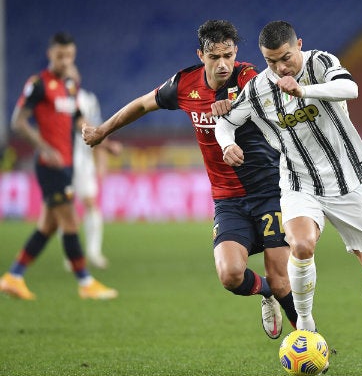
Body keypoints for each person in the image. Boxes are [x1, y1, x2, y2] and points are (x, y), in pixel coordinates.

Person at [213, 21, 362, 376]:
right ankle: (305, 327)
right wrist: (227, 143)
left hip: (348, 185)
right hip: (300, 185)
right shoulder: (258, 89)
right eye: (271, 62)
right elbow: (226, 122)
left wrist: (304, 91)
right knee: (300, 245)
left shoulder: (319, 63)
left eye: (285, 58)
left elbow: (350, 88)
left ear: (298, 45)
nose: (280, 68)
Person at [81, 20, 297, 339]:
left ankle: (309, 335)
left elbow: (281, 104)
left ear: (235, 52)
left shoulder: (250, 78)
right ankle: (266, 293)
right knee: (230, 275)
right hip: (228, 200)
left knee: (283, 279)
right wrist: (102, 131)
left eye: (228, 55)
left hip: (269, 191)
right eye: (214, 57)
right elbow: (142, 104)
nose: (222, 64)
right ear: (201, 55)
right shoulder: (185, 84)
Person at [0, 32, 118, 300]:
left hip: (66, 164)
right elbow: (18, 121)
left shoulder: (70, 86)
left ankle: (13, 276)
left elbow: (78, 120)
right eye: (60, 55)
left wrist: (105, 142)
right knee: (69, 221)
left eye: (70, 56)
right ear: (50, 54)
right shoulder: (38, 85)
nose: (65, 60)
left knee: (47, 226)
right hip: (49, 165)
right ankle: (86, 282)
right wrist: (44, 147)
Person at [69, 64, 122, 269]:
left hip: (82, 161)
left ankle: (93, 252)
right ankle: (72, 254)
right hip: (63, 160)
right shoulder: (58, 98)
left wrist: (101, 160)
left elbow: (97, 131)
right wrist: (109, 148)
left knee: (90, 202)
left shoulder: (87, 99)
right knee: (66, 209)